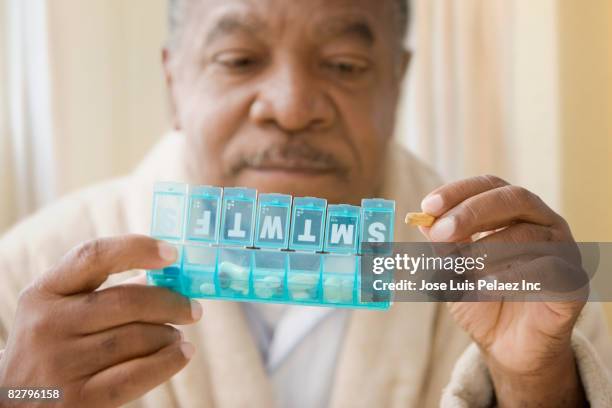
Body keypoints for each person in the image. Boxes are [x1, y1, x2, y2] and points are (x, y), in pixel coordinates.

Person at [0, 0, 611, 407]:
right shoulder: (26, 279)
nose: (292, 106)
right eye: (238, 60)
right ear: (174, 82)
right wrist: (23, 397)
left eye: (344, 65)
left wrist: (535, 384)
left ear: (397, 82)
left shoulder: (521, 289)